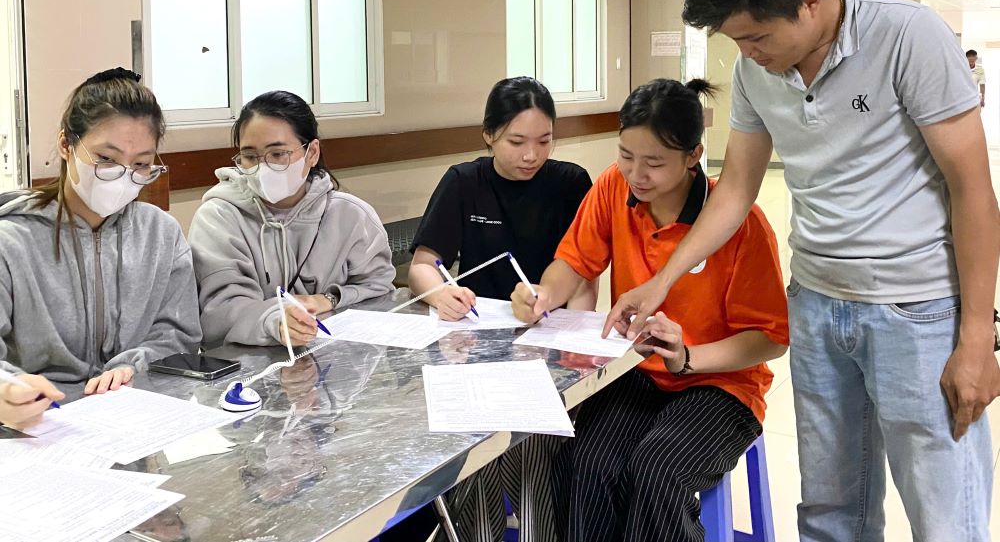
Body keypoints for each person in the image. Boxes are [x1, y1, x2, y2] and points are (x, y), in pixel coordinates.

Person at [608, 0, 1000, 542]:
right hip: (817, 306)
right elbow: (735, 190)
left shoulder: (909, 37)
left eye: (757, 37)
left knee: (944, 512)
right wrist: (663, 280)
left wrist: (977, 337)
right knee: (830, 512)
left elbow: (973, 190)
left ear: (810, 1)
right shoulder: (755, 72)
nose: (747, 55)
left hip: (917, 311)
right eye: (736, 41)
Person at [513, 78, 788, 542]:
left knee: (656, 470)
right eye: (626, 155)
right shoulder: (613, 188)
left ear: (694, 156)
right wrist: (542, 293)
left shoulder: (742, 227)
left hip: (721, 386)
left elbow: (770, 339)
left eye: (655, 163)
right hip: (636, 372)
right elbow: (575, 262)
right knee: (584, 462)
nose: (636, 175)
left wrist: (688, 357)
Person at [408, 76, 593, 542]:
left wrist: (573, 335)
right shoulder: (464, 182)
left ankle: (530, 532)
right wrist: (440, 294)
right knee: (478, 447)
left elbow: (585, 276)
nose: (531, 155)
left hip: (547, 347)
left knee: (527, 446)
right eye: (516, 141)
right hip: (475, 347)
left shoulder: (570, 183)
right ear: (489, 134)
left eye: (544, 141)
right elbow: (424, 265)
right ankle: (480, 531)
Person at [0, 68, 201, 428]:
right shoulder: (12, 239)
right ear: (66, 145)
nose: (122, 176)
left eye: (141, 164)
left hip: (132, 420)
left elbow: (179, 334)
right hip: (40, 425)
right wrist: (8, 389)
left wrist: (134, 366)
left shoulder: (161, 234)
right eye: (106, 159)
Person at [189, 90, 395, 348]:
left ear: (312, 153)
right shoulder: (218, 218)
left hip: (335, 357)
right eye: (250, 157)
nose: (263, 168)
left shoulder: (351, 216)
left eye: (277, 154)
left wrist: (329, 299)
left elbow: (380, 290)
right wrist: (274, 321)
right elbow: (219, 311)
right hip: (247, 363)